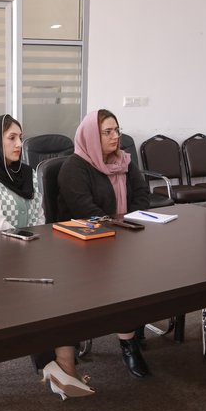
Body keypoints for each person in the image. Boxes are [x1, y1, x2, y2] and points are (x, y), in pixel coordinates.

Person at [0, 114, 93, 400]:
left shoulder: (27, 174)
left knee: (66, 283)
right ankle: (57, 367)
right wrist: (34, 255)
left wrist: (38, 253)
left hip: (25, 255)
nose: (19, 143)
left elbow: (40, 221)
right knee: (40, 290)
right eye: (11, 138)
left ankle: (63, 366)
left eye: (20, 137)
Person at [57, 109, 152, 378]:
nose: (115, 136)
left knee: (149, 269)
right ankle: (128, 343)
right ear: (90, 136)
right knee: (121, 277)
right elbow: (86, 210)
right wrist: (121, 230)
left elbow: (142, 196)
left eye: (117, 130)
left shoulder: (125, 161)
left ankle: (132, 330)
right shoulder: (74, 167)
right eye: (107, 132)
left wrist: (130, 224)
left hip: (125, 237)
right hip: (84, 246)